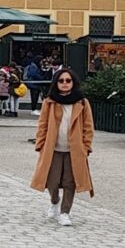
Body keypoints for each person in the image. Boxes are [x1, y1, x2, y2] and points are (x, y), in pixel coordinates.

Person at [30, 68, 94, 227]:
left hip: (75, 149)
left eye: (68, 80)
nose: (65, 84)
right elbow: (42, 125)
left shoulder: (82, 102)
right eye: (61, 81)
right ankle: (54, 201)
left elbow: (88, 127)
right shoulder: (49, 102)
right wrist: (40, 143)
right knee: (52, 180)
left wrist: (85, 147)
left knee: (69, 182)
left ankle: (65, 212)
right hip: (53, 148)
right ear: (56, 83)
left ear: (73, 82)